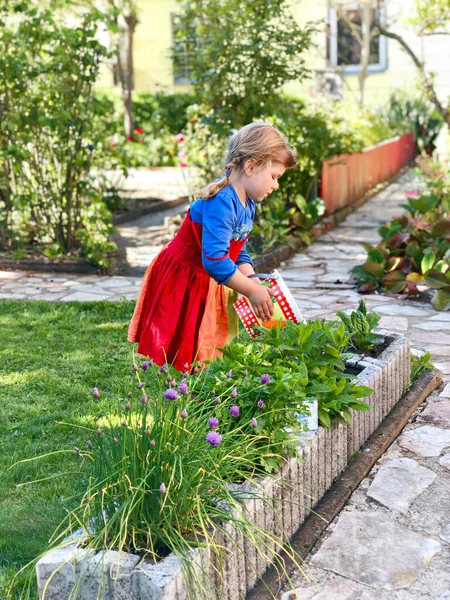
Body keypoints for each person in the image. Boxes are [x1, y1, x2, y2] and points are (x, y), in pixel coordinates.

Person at [128, 122, 297, 371]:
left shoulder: (247, 202)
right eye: (274, 177)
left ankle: (204, 376)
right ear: (251, 166)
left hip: (210, 277)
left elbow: (239, 249)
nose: (276, 185)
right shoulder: (222, 203)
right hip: (188, 276)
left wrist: (252, 278)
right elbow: (215, 260)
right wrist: (250, 290)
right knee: (189, 338)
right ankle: (191, 385)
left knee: (212, 340)